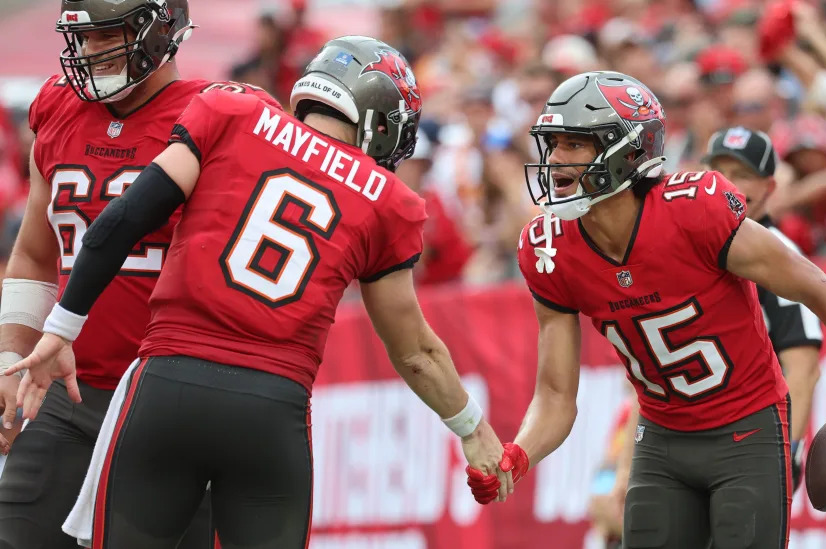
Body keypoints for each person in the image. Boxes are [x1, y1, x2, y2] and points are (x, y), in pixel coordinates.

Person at [6, 36, 508, 549]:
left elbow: (122, 219)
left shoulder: (233, 113)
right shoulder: (390, 201)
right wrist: (471, 427)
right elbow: (416, 352)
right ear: (383, 121)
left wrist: (61, 327)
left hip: (166, 383)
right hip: (271, 407)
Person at [464, 71, 826, 549]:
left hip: (747, 430)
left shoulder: (694, 209)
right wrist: (518, 455)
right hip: (661, 440)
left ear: (629, 151)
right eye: (552, 145)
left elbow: (817, 287)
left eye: (575, 144)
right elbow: (555, 394)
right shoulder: (548, 248)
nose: (556, 161)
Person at [0, 1, 280, 548]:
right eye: (82, 38)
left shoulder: (219, 114)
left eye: (108, 35)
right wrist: (11, 360)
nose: (90, 52)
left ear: (160, 31)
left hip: (171, 405)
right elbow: (35, 254)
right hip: (72, 395)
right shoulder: (57, 107)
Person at [702, 126, 823, 491]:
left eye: (742, 175)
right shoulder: (689, 246)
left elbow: (803, 369)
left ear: (769, 189)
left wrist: (788, 453)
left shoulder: (780, 255)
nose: (728, 184)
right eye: (719, 173)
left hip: (748, 439)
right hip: (686, 434)